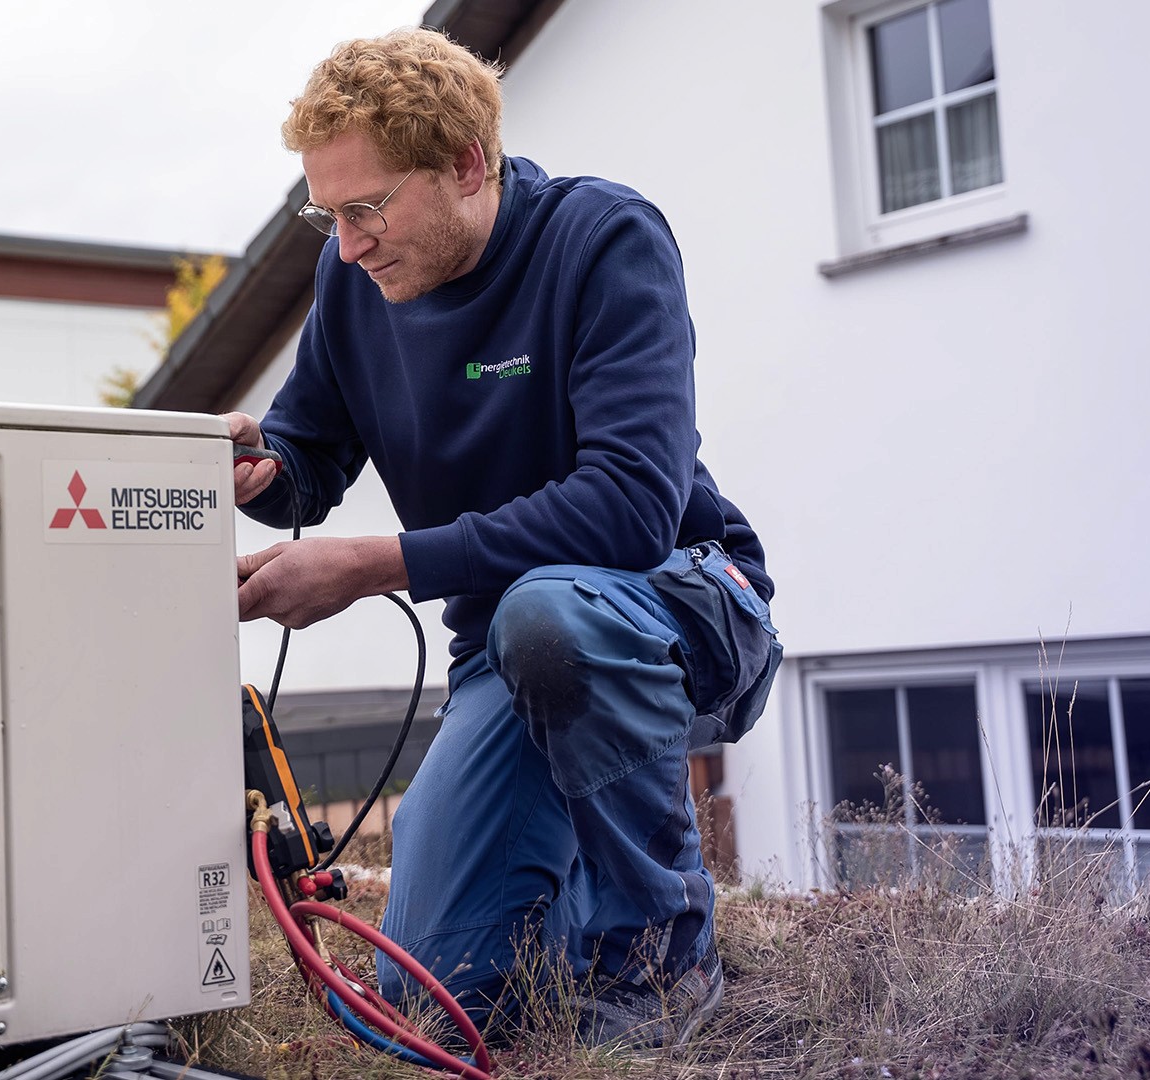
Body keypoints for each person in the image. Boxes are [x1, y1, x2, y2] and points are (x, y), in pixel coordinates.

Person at [227, 28, 780, 1048]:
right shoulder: (353, 281)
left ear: (466, 165)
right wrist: (263, 468)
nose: (346, 244)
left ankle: (662, 955)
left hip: (680, 604)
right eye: (326, 214)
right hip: (507, 652)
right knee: (425, 1004)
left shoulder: (602, 240)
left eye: (366, 209)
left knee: (548, 617)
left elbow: (627, 510)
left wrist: (376, 568)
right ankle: (572, 912)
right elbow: (309, 453)